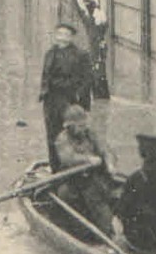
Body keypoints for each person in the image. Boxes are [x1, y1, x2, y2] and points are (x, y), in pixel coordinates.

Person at [52, 105, 116, 239]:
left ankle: (107, 233)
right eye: (79, 126)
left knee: (102, 195)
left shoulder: (90, 133)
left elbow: (106, 149)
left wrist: (109, 163)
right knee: (66, 197)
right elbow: (68, 158)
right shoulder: (62, 139)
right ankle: (77, 233)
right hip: (71, 181)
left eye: (84, 125)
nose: (83, 129)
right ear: (69, 126)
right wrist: (88, 159)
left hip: (91, 179)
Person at [39, 22, 94, 169]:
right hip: (51, 101)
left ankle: (71, 166)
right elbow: (45, 76)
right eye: (59, 34)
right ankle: (55, 167)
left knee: (71, 133)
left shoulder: (80, 55)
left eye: (66, 34)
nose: (62, 37)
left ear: (71, 37)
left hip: (68, 100)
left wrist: (81, 104)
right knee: (52, 134)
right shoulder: (50, 53)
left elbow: (87, 81)